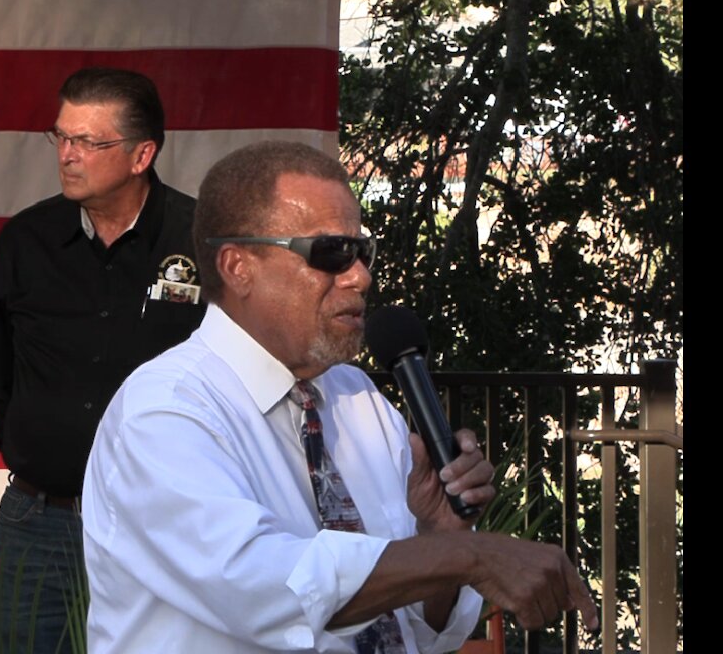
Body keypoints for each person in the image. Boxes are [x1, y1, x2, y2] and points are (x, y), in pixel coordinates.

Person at [81, 141, 599, 653]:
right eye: (330, 253)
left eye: (362, 251)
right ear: (238, 267)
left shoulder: (357, 398)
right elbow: (272, 589)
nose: (360, 276)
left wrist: (438, 533)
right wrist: (472, 556)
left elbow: (416, 628)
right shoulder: (165, 412)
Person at [0, 67, 206, 653]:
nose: (68, 155)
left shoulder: (202, 238)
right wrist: (39, 446)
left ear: (141, 154)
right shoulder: (25, 241)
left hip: (164, 524)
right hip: (42, 520)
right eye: (61, 137)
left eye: (87, 141)